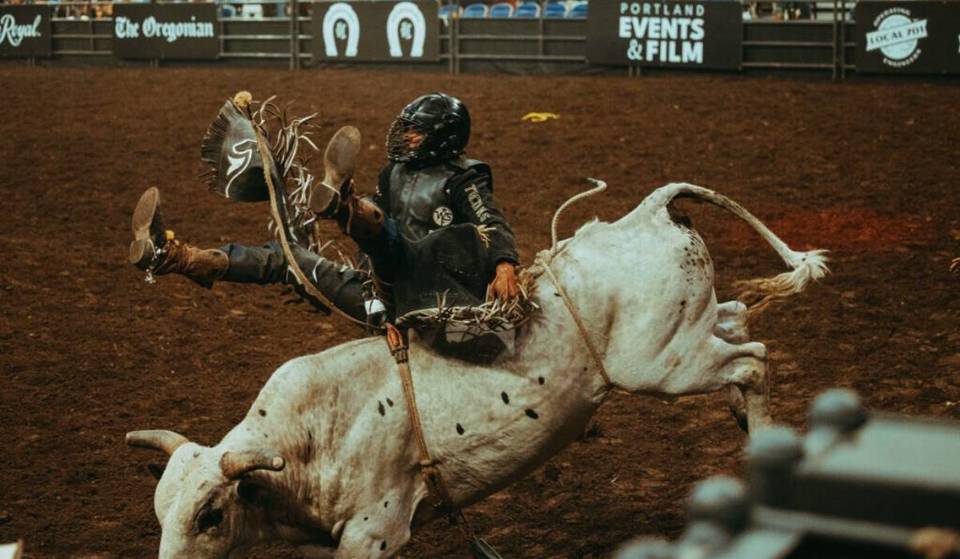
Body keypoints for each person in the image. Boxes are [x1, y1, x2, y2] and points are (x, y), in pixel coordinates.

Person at [129, 93, 520, 356]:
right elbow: (374, 257)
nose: (406, 137)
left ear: (442, 137)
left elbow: (491, 220)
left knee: (394, 242)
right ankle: (175, 256)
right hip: (385, 300)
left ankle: (344, 205)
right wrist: (381, 307)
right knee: (289, 259)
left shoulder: (465, 177)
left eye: (414, 132)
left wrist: (505, 264)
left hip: (441, 298)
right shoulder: (394, 173)